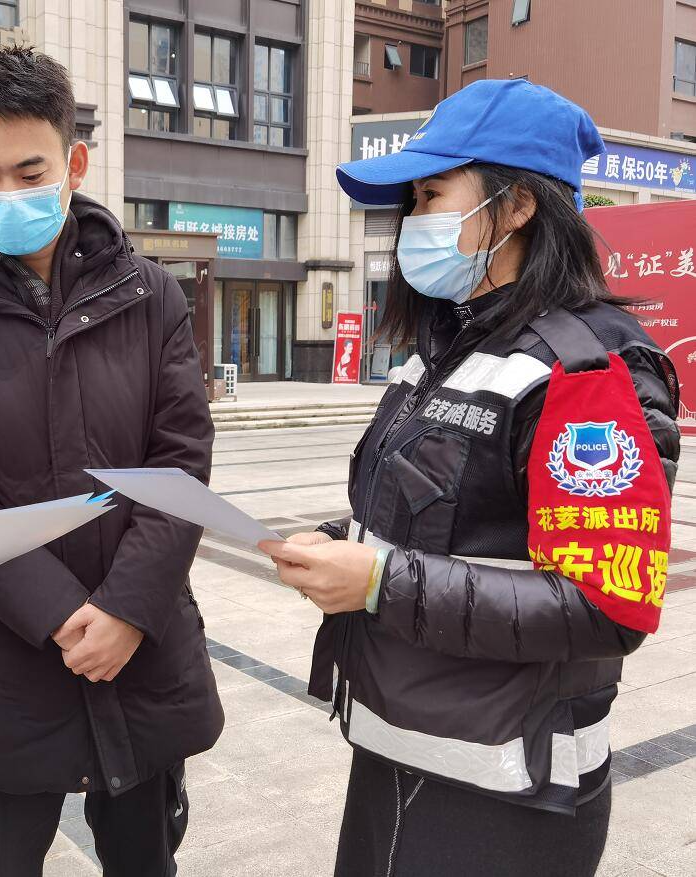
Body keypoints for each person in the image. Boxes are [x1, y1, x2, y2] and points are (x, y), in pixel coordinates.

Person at [261, 79, 680, 877]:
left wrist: (379, 580)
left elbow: (605, 606)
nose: (413, 218)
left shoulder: (588, 371)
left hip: (503, 793)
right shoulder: (442, 350)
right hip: (398, 747)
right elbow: (441, 525)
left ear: (517, 205)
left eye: (431, 193)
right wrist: (342, 544)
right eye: (411, 199)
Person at [0, 47, 223, 876]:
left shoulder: (151, 295)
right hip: (10, 654)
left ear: (73, 161)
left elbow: (178, 458)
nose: (7, 194)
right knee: (3, 858)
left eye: (28, 169)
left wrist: (129, 610)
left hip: (140, 646)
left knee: (145, 855)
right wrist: (63, 615)